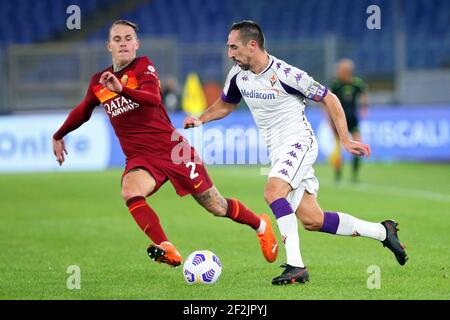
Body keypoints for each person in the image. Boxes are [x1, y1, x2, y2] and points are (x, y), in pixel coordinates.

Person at [184, 20, 407, 285]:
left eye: (234, 47)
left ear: (252, 46)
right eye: (229, 47)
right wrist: (201, 118)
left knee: (273, 192)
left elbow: (329, 97)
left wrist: (345, 139)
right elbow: (226, 105)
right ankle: (383, 231)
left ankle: (296, 267)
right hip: (278, 150)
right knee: (313, 220)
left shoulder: (287, 74)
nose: (230, 53)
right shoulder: (237, 75)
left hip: (299, 141)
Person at [52, 20, 278, 268]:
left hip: (173, 151)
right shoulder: (99, 81)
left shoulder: (142, 67)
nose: (124, 43)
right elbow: (83, 110)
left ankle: (261, 224)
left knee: (216, 206)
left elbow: (152, 98)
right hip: (140, 158)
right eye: (117, 39)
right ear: (109, 46)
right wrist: (59, 134)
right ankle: (167, 247)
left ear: (136, 44)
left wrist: (122, 90)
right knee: (130, 190)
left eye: (128, 38)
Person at [329, 59, 369, 182]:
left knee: (358, 145)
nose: (338, 72)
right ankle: (338, 174)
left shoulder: (357, 84)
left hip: (352, 119)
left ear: (348, 71)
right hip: (338, 120)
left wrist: (364, 107)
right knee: (337, 149)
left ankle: (354, 175)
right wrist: (329, 119)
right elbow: (327, 103)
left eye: (340, 70)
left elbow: (364, 95)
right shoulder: (335, 85)